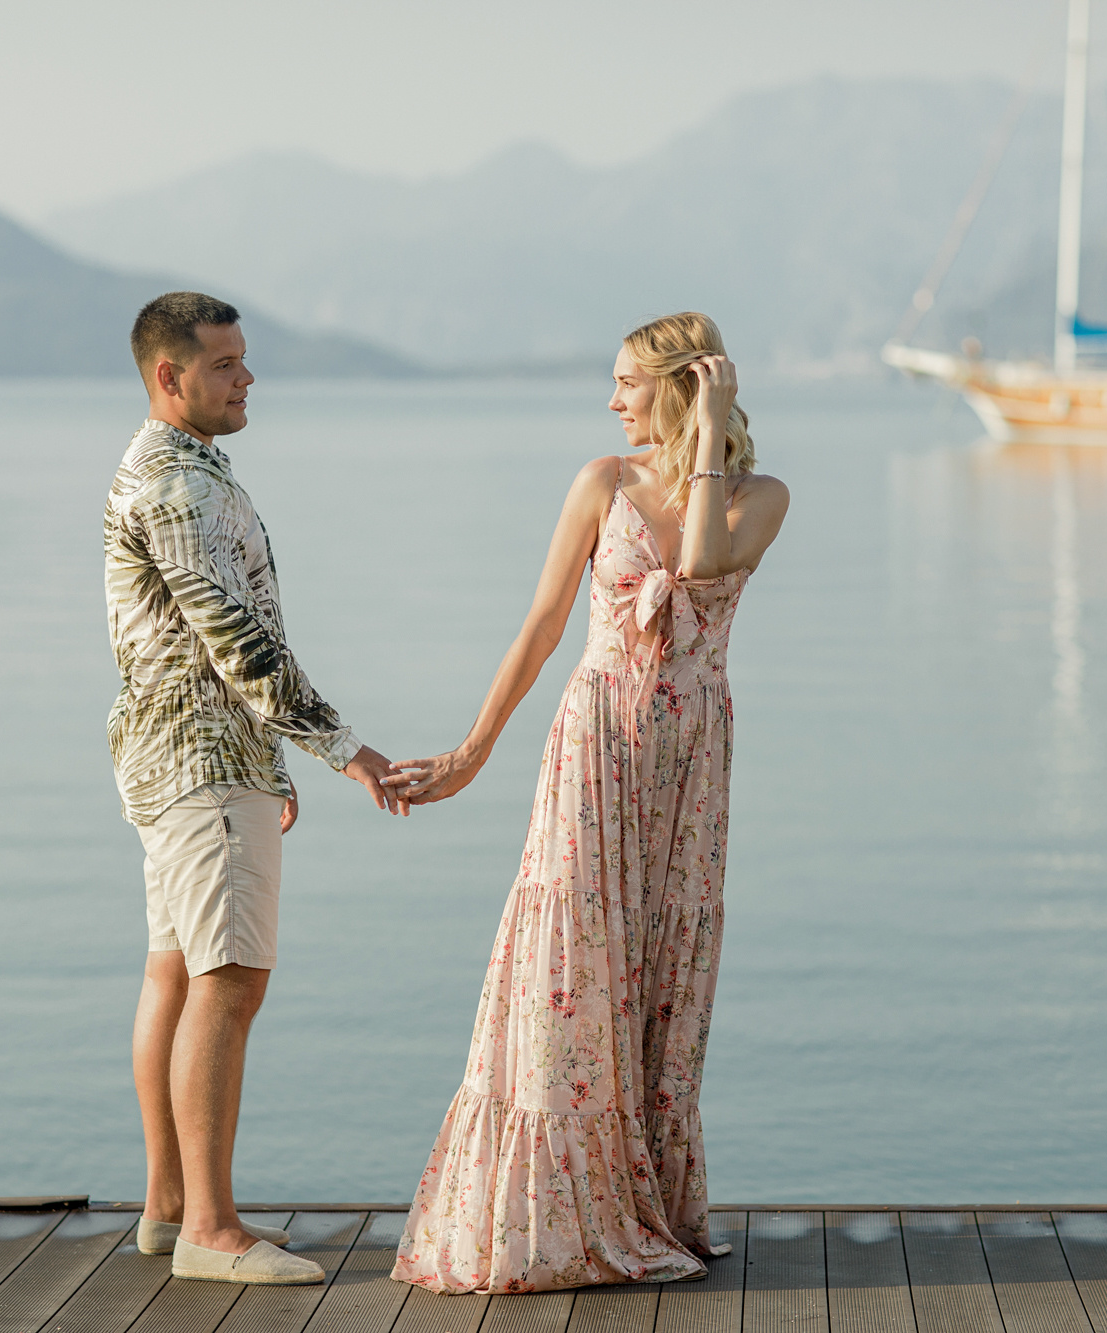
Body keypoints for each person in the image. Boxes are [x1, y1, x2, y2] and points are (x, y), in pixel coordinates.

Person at [385, 312, 790, 1294]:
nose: (612, 402)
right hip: (595, 742)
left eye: (628, 383)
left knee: (662, 960)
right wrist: (474, 748)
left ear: (682, 390)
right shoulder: (599, 483)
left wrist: (713, 427)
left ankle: (643, 1194)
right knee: (575, 955)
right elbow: (541, 622)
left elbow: (695, 567)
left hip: (689, 754)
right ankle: (563, 1211)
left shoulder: (761, 496)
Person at [104, 292, 409, 1287]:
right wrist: (345, 749)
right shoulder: (178, 487)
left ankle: (170, 1207)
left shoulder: (179, 469)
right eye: (226, 363)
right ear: (170, 375)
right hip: (200, 756)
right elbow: (235, 638)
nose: (245, 378)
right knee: (228, 983)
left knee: (176, 973)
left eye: (243, 359)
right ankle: (214, 1231)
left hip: (186, 755)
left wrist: (270, 760)